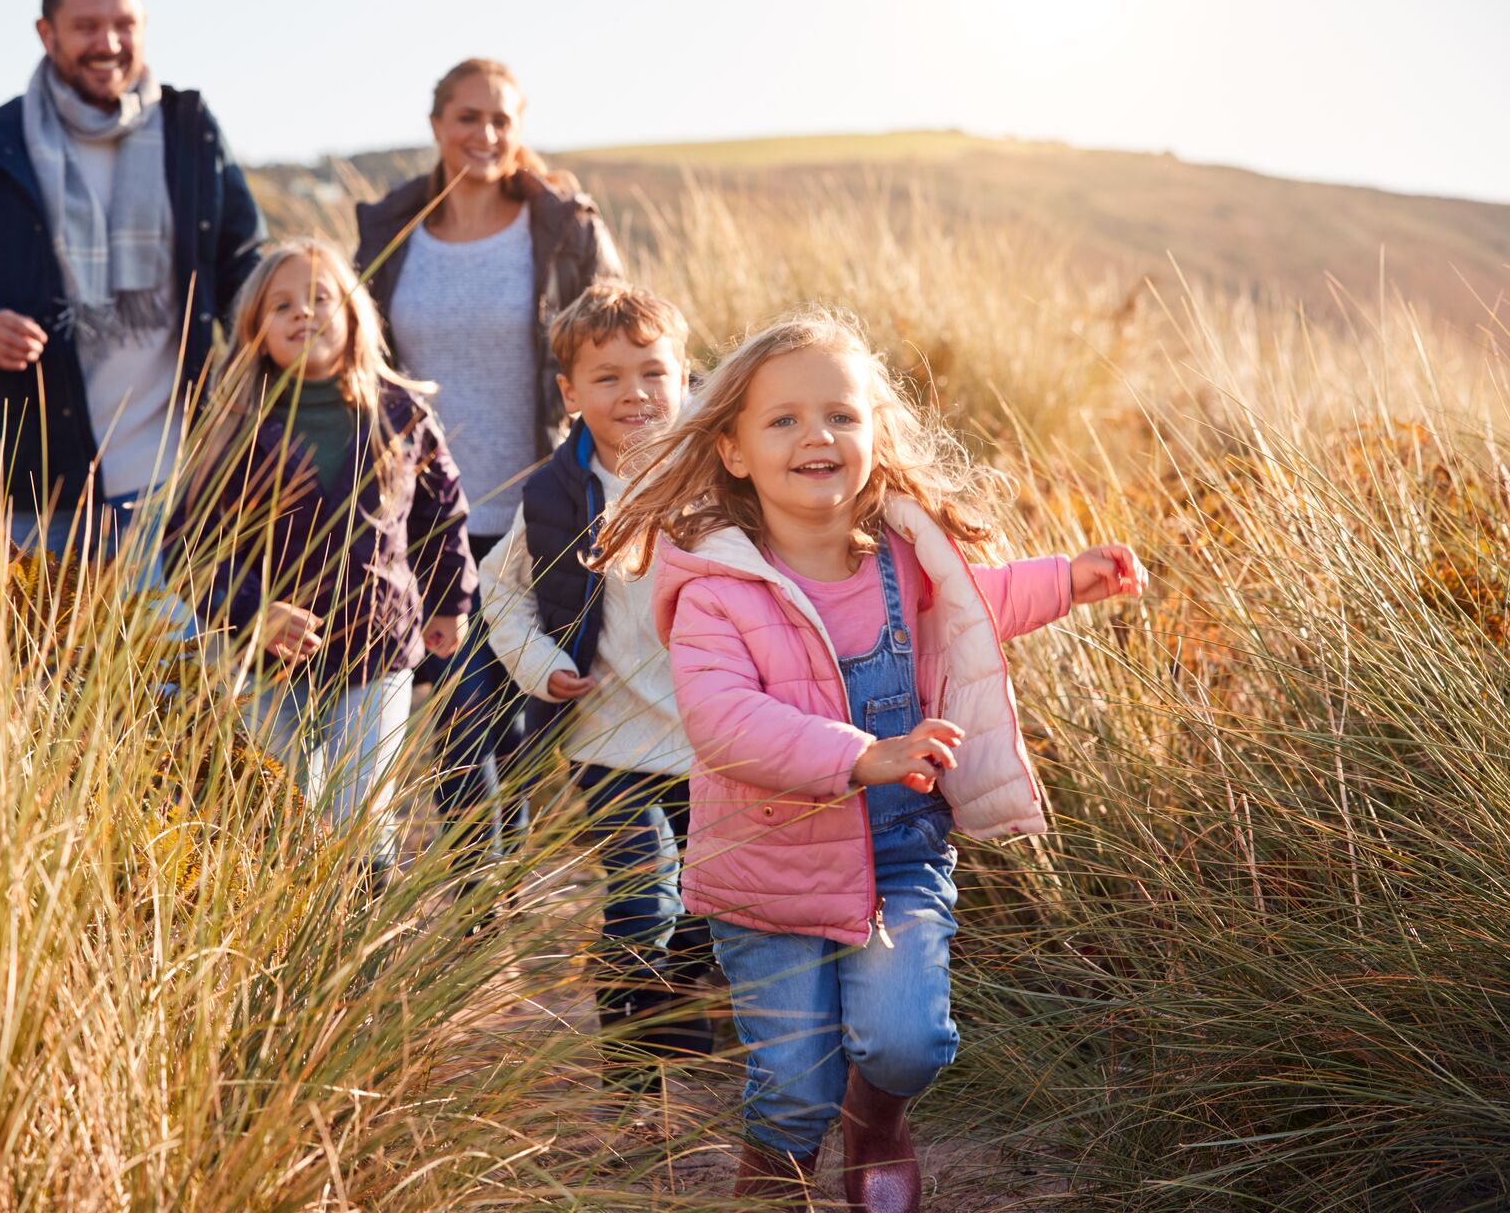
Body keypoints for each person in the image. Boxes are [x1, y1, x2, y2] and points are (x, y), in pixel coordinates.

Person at [595, 308, 1147, 1209]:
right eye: (783, 419)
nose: (816, 435)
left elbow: (977, 605)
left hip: (898, 856)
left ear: (874, 435)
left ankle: (878, 1120)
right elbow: (724, 721)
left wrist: (1068, 580)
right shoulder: (714, 590)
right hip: (767, 873)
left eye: (841, 416)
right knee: (792, 1083)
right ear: (733, 450)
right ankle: (775, 1172)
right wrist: (863, 756)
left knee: (909, 1044)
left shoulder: (906, 562)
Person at [0, 0, 265, 580]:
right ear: (47, 33)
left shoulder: (192, 131)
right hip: (37, 490)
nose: (109, 43)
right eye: (87, 27)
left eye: (124, 25)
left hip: (180, 483)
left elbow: (245, 271)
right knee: (45, 679)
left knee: (173, 676)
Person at [354, 58, 623, 870]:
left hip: (534, 515)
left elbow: (618, 338)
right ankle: (483, 909)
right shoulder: (391, 231)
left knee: (491, 720)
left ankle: (487, 909)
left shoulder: (561, 228)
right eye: (468, 118)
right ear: (437, 124)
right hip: (421, 519)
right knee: (470, 719)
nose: (486, 135)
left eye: (502, 120)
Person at [163, 238, 473, 882]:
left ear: (354, 315)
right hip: (265, 659)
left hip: (376, 647)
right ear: (256, 330)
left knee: (363, 811)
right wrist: (253, 612)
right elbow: (186, 547)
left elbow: (441, 515)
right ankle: (291, 958)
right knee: (279, 809)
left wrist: (449, 602)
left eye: (320, 298)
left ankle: (364, 952)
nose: (303, 313)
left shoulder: (401, 413)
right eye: (282, 305)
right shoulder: (234, 425)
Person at [478, 282, 708, 1096]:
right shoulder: (556, 492)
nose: (634, 393)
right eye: (606, 378)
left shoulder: (728, 475)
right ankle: (636, 1086)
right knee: (644, 898)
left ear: (686, 376)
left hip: (720, 739)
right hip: (609, 739)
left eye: (653, 371)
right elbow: (498, 593)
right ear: (570, 394)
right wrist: (541, 666)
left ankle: (679, 1025)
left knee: (708, 911)